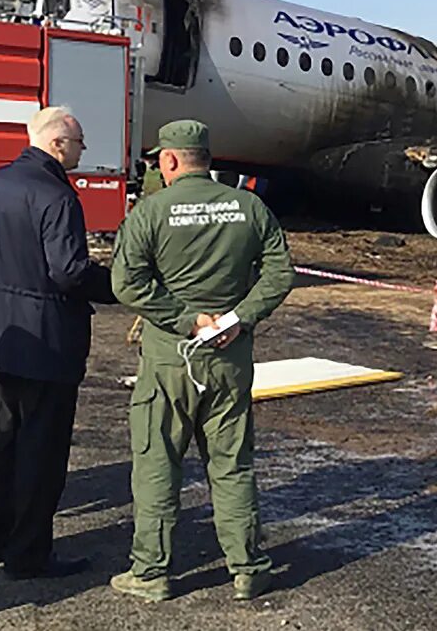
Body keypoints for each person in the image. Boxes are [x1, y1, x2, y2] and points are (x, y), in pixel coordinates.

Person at [109, 120, 294, 602]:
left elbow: (126, 284)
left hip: (171, 361)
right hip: (230, 358)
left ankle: (151, 572)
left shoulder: (150, 212)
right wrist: (238, 317)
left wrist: (187, 320)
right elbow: (280, 273)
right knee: (232, 465)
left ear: (170, 160)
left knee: (157, 463)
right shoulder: (250, 207)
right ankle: (249, 567)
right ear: (206, 158)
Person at [0, 106, 116, 579]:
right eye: (79, 143)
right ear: (57, 143)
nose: (82, 151)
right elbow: (68, 272)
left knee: (0, 439)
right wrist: (117, 285)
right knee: (41, 449)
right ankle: (28, 553)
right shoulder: (58, 196)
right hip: (46, 340)